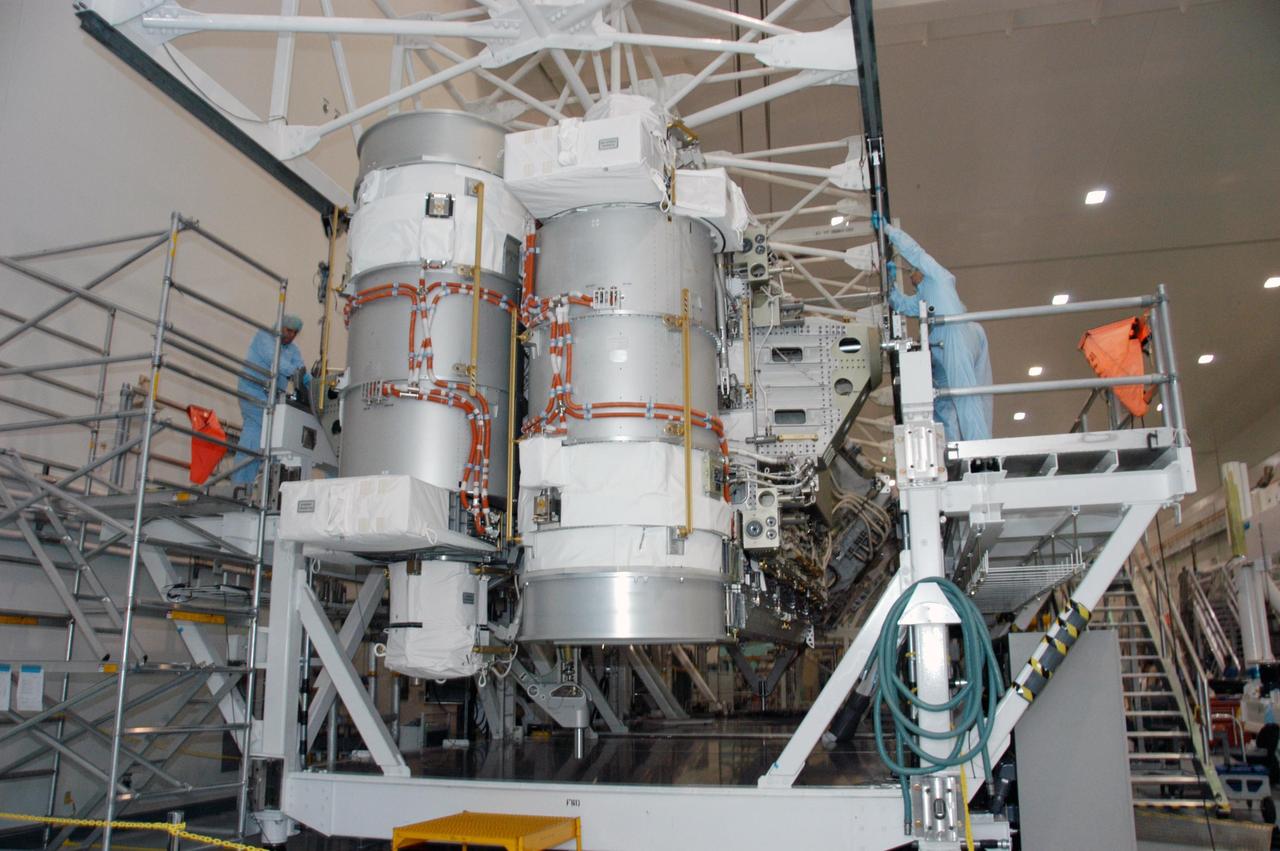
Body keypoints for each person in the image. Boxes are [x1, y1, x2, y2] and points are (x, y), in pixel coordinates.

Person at [873, 215, 993, 442]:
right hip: (942, 348)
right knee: (945, 402)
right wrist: (889, 285)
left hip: (953, 335)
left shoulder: (937, 277)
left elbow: (914, 252)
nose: (910, 277)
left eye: (911, 272)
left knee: (965, 397)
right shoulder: (922, 298)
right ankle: (953, 453)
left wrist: (889, 231)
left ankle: (980, 451)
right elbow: (901, 304)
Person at [232, 314, 311, 488]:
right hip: (252, 391)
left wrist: (311, 381)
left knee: (253, 440)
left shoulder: (293, 350)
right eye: (289, 330)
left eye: (295, 333)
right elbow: (276, 362)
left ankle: (241, 487)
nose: (291, 335)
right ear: (280, 326)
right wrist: (299, 375)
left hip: (271, 397)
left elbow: (300, 367)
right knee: (275, 436)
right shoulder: (265, 337)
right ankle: (262, 486)